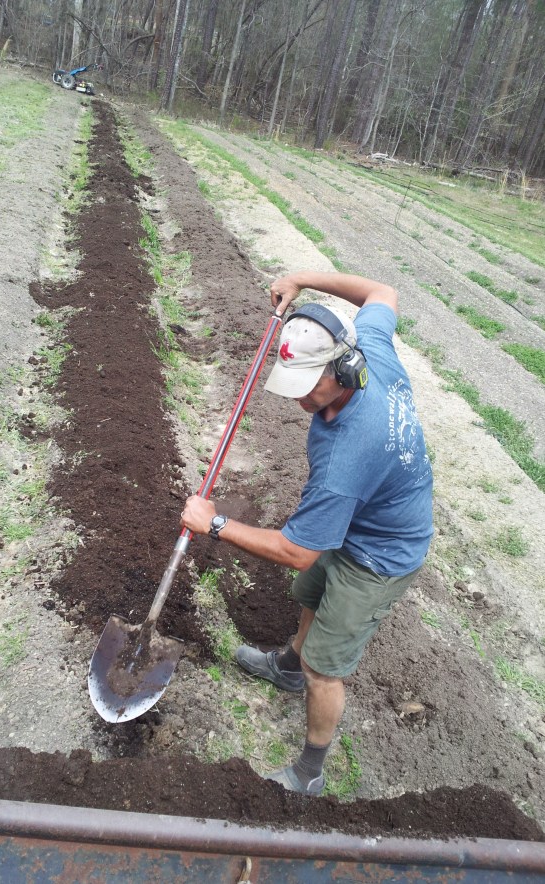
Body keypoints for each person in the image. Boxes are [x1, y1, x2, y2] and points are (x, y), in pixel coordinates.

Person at [180, 271, 433, 795]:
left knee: (326, 669)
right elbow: (382, 294)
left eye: (308, 386)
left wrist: (215, 524)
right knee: (311, 593)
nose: (298, 401)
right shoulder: (374, 352)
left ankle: (309, 772)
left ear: (343, 367)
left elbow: (296, 550)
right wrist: (302, 278)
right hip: (360, 519)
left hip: (380, 555)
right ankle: (289, 666)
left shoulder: (347, 456)